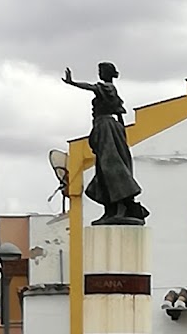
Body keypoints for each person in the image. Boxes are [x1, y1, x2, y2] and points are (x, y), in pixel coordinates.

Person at [62, 62, 148, 224]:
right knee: (103, 170)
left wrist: (73, 83)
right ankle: (110, 210)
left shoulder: (107, 88)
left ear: (107, 73)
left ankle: (120, 207)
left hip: (106, 127)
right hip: (106, 128)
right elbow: (120, 114)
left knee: (110, 168)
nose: (99, 74)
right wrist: (120, 133)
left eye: (101, 71)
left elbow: (91, 87)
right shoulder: (109, 91)